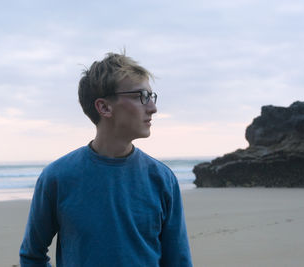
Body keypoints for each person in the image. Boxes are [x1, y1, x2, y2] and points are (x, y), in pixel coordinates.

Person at [19, 52, 193, 267]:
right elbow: (32, 255)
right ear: (104, 107)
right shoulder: (57, 177)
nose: (153, 108)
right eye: (142, 96)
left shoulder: (162, 178)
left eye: (152, 96)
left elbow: (178, 260)